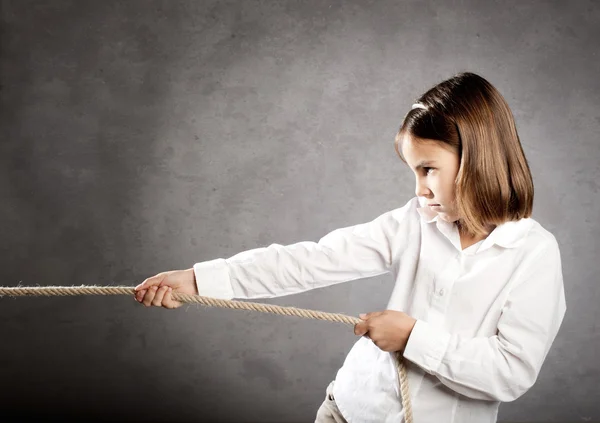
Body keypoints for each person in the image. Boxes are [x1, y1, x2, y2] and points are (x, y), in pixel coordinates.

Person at [133, 72, 567, 423]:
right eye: (413, 172)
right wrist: (197, 280)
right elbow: (312, 261)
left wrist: (413, 337)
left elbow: (510, 373)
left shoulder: (534, 255)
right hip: (345, 411)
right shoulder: (414, 223)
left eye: (428, 169)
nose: (419, 189)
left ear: (478, 159)